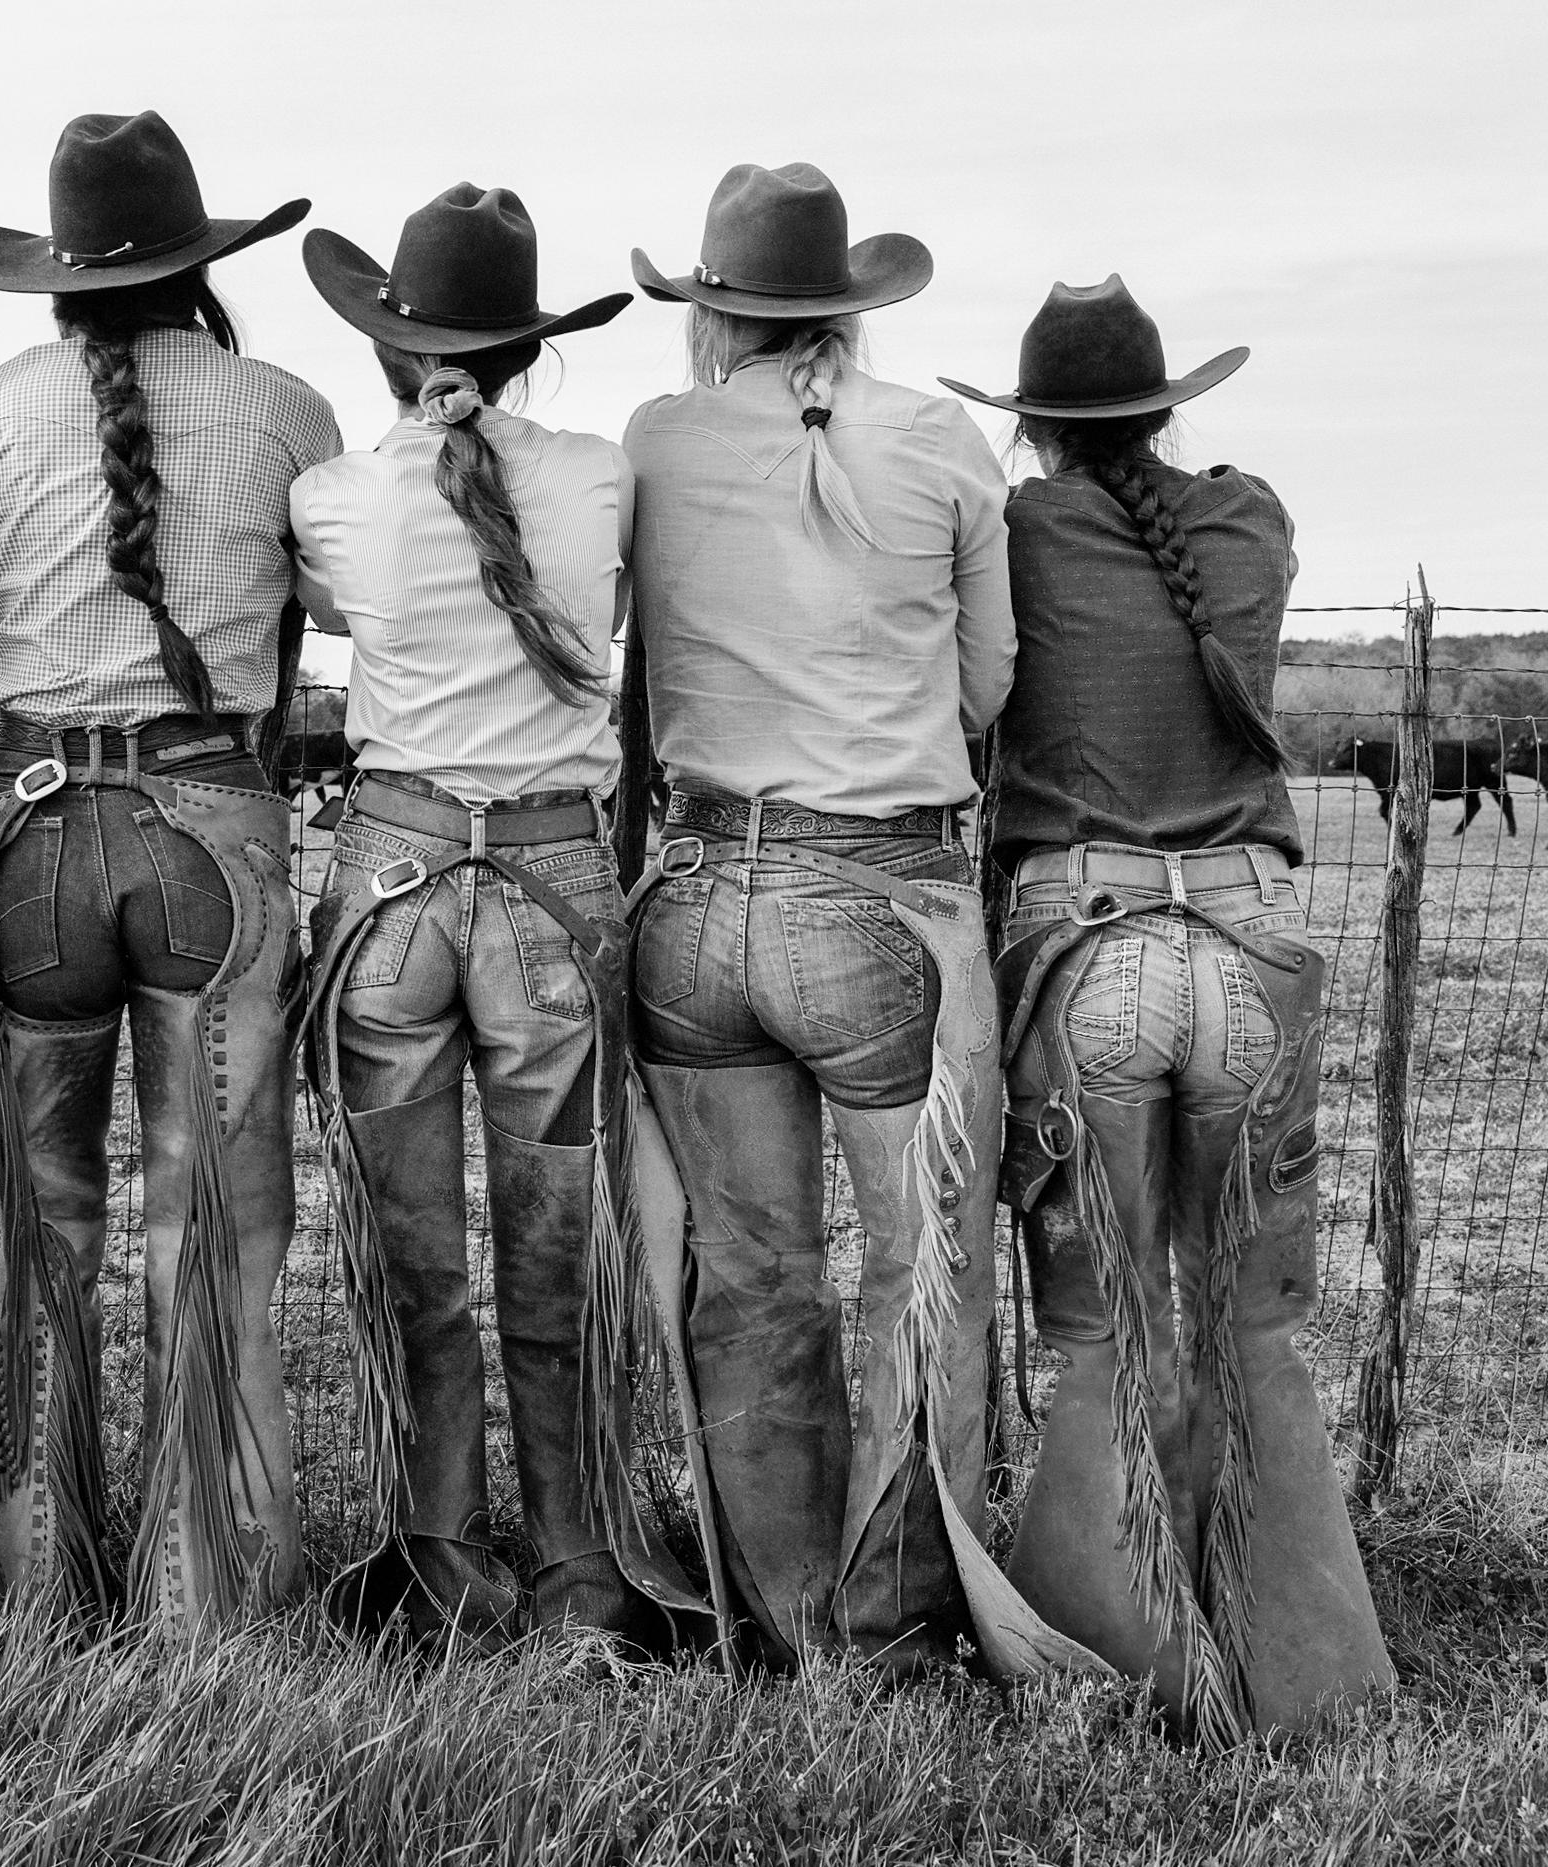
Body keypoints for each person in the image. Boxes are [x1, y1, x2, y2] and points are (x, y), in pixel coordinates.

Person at [942, 276, 1395, 1739]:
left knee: (1101, 1333)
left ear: (1038, 431)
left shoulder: (1019, 533)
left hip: (1090, 949)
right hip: (1252, 945)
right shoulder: (1248, 521)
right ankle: (1312, 1683)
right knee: (1256, 1334)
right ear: (1165, 404)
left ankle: (1117, 1678)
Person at [617, 161, 1040, 1676]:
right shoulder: (940, 442)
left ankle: (779, 1614)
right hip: (880, 898)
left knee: (749, 1278)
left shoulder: (657, 441)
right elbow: (987, 687)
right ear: (850, 308)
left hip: (696, 897)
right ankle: (889, 1618)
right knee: (913, 1277)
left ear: (713, 309)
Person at [293, 185, 712, 1655]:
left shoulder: (332, 498)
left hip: (392, 895)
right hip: (550, 891)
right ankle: (582, 1571)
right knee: (558, 1255)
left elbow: (345, 622)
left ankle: (433, 1565)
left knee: (411, 1254)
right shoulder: (602, 476)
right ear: (535, 344)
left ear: (391, 348)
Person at [0, 111, 339, 1631]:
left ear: (58, 273)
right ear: (200, 264)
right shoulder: (287, 405)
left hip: (32, 825)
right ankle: (212, 1583)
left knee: (40, 1219)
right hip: (208, 823)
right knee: (218, 1221)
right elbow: (321, 586)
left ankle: (43, 1567)